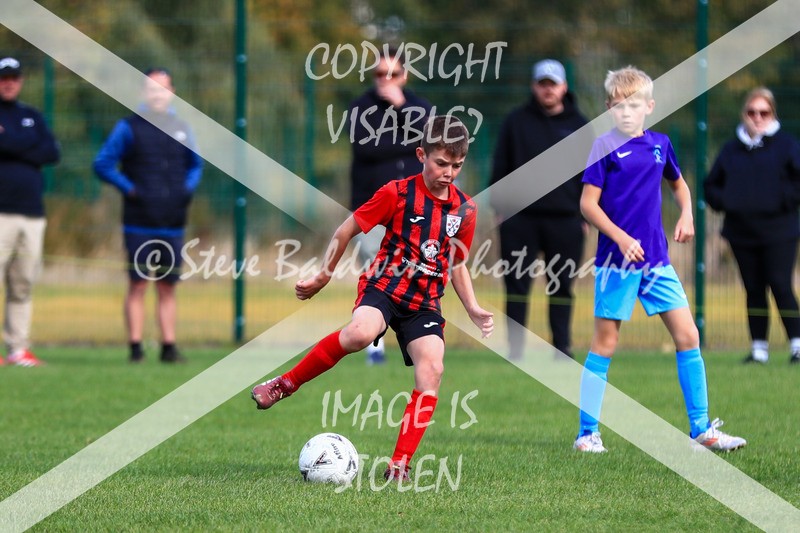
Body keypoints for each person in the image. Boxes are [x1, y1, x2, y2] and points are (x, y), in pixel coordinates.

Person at [251, 116, 494, 482]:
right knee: (359, 334)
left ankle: (399, 466)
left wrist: (472, 307)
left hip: (425, 302)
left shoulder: (465, 210)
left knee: (433, 369)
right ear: (421, 154)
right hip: (383, 287)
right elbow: (347, 228)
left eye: (456, 166)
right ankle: (283, 384)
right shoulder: (396, 193)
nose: (448, 173)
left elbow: (457, 263)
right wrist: (324, 274)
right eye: (441, 163)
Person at [573, 66, 745, 453]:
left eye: (633, 105)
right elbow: (587, 204)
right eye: (618, 106)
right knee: (605, 343)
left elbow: (680, 187)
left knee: (688, 336)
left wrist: (685, 215)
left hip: (657, 263)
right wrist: (618, 237)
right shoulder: (603, 147)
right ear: (608, 108)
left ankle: (701, 429)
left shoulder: (661, 144)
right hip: (615, 265)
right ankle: (587, 433)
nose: (626, 112)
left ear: (649, 106)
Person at [93, 68, 202, 364]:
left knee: (167, 287)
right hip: (139, 222)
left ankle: (168, 347)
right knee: (138, 284)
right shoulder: (129, 127)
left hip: (173, 223)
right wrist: (130, 190)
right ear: (144, 93)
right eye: (152, 89)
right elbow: (102, 163)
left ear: (172, 92)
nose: (158, 94)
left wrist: (185, 189)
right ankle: (136, 348)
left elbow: (196, 165)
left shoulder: (182, 127)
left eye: (163, 88)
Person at [490, 59, 590, 361]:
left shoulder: (580, 125)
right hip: (520, 219)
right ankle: (516, 350)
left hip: (566, 220)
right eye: (542, 83)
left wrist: (585, 213)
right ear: (534, 86)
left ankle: (562, 348)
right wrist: (500, 207)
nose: (548, 89)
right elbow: (500, 166)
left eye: (553, 84)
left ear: (564, 87)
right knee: (517, 285)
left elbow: (592, 174)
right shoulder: (515, 122)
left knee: (562, 286)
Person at [348, 47, 433, 365]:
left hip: (415, 207)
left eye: (393, 74)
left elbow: (430, 138)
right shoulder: (361, 107)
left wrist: (401, 108)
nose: (386, 80)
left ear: (405, 76)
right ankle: (373, 344)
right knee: (375, 270)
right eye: (380, 74)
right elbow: (367, 148)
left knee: (415, 272)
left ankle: (412, 340)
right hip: (372, 206)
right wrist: (408, 143)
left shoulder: (419, 106)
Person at [704, 87, 800, 365]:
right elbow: (711, 186)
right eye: (752, 112)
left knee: (781, 285)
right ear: (744, 114)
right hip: (741, 232)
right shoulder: (731, 149)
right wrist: (730, 201)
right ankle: (759, 350)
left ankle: (796, 345)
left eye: (764, 112)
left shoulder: (787, 146)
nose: (757, 118)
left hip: (779, 231)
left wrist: (783, 200)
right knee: (753, 288)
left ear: (772, 114)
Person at [0, 56, 60, 367]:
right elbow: (36, 149)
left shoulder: (32, 116)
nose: (8, 83)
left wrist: (8, 141)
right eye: (3, 77)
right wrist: (27, 148)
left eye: (13, 77)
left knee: (22, 283)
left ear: (21, 81)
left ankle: (18, 349)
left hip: (32, 214)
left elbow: (51, 151)